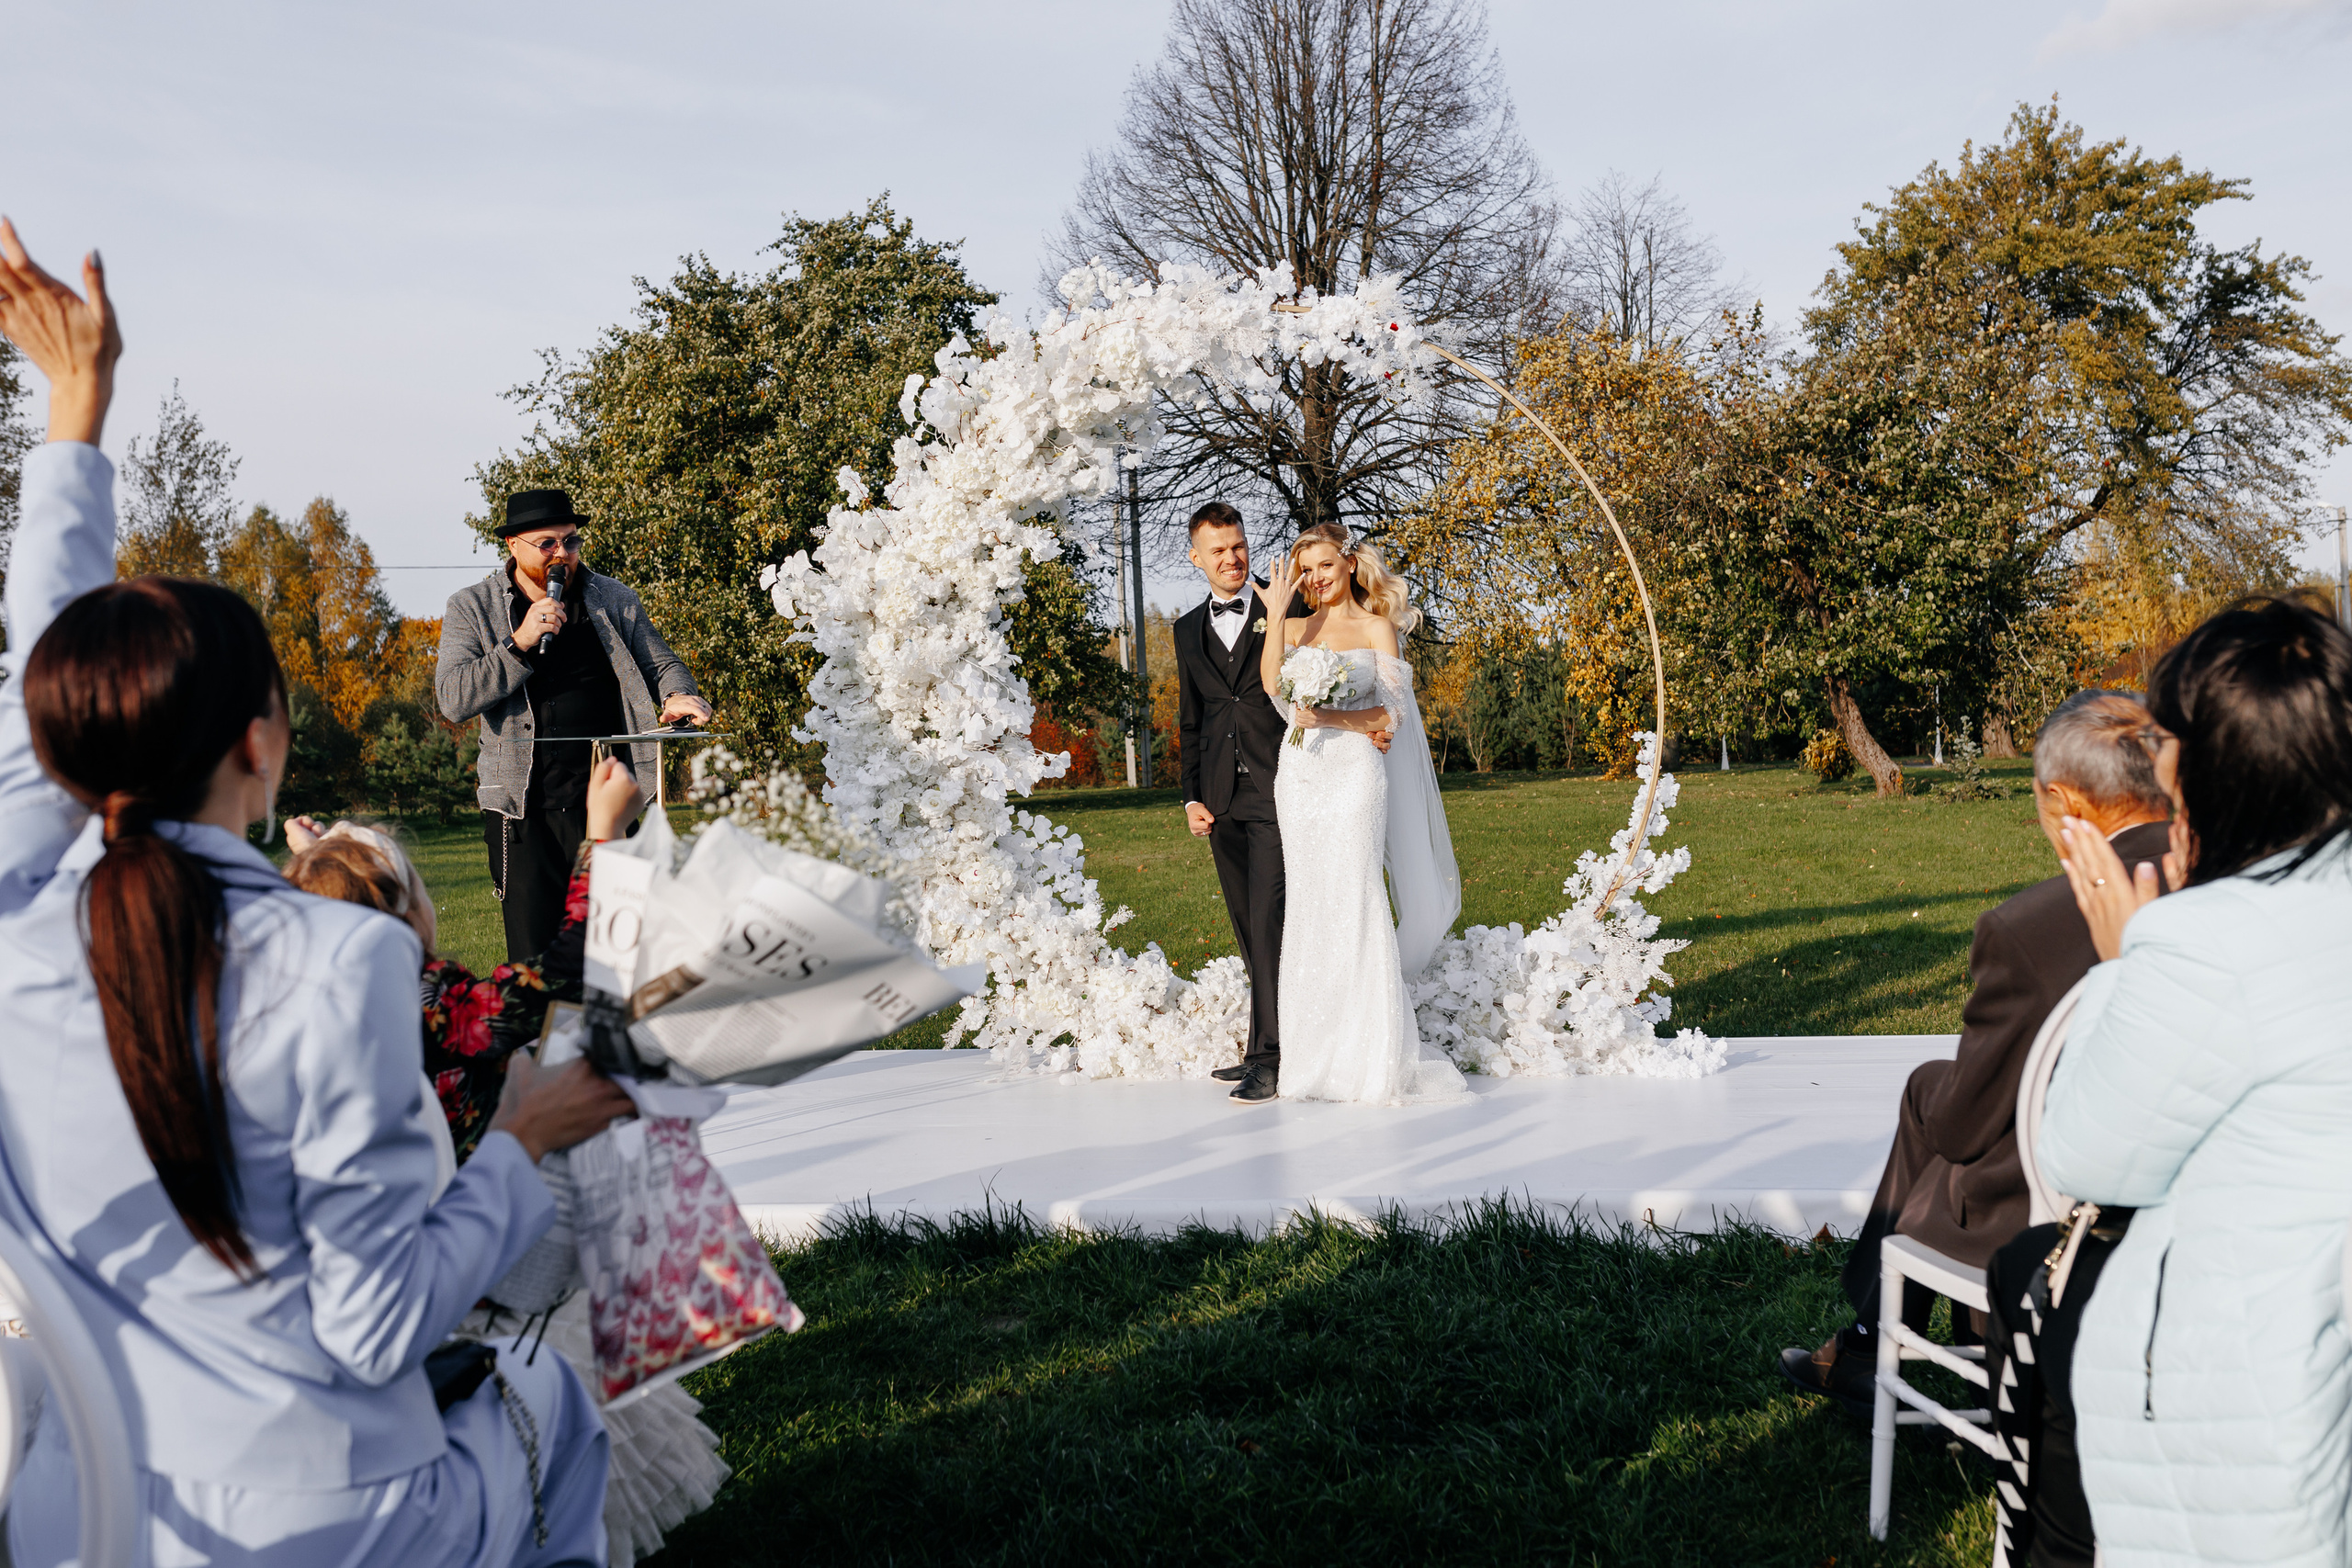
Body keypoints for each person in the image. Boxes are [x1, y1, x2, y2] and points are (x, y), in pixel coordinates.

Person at [0, 220, 631, 1568]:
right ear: (263, 741)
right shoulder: (338, 962)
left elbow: (37, 688)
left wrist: (72, 421)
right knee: (556, 1411)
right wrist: (519, 1143)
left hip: (74, 1511)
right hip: (328, 1522)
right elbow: (376, 1324)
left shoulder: (15, 918)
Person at [284, 769, 729, 1568]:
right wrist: (603, 836)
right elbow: (568, 972)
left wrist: (320, 871)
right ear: (409, 918)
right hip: (482, 1260)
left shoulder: (304, 1009)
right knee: (560, 1425)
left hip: (380, 1274)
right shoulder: (436, 1002)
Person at [2039, 598, 2352, 1567]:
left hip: (2243, 1407)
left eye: (2167, 736)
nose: (2158, 760)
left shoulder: (2207, 943)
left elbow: (2082, 1152)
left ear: (2216, 761)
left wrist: (2120, 964)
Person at [1778, 690, 2173, 1416]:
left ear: (2062, 799)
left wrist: (1929, 1098)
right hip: (2189, 1179)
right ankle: (1867, 1340)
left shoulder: (2028, 928)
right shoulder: (2227, 886)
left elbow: (1963, 1126)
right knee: (1941, 1101)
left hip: (2054, 1204)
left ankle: (1873, 1339)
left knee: (1936, 1109)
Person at [435, 487, 710, 964]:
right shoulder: (471, 607)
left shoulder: (613, 598)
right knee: (535, 963)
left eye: (571, 541)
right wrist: (519, 643)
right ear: (513, 545)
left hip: (606, 803)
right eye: (547, 543)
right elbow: (453, 698)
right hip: (523, 812)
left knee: (619, 955)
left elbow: (663, 665)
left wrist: (676, 695)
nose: (562, 554)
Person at [1250, 523, 1463, 1105]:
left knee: (1358, 895)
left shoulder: (1377, 628)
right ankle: (1312, 1062)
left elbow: (1390, 716)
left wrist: (1331, 718)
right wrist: (1276, 612)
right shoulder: (1294, 627)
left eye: (1325, 565)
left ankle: (1369, 1058)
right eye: (1306, 570)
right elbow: (1272, 687)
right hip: (1301, 777)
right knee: (1311, 904)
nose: (1316, 578)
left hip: (1356, 778)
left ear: (1348, 563)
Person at [1173, 503, 1301, 1104]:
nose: (1232, 558)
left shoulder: (1286, 606)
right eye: (1219, 550)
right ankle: (1262, 1046)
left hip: (1279, 787)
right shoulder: (1185, 630)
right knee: (1249, 927)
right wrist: (1191, 796)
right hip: (1221, 797)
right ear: (1196, 558)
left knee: (1270, 920)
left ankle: (1270, 1060)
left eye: (1239, 545)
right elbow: (1191, 721)